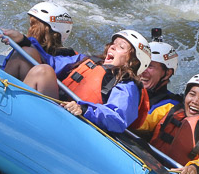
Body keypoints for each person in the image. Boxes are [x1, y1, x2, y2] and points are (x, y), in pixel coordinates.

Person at [23, 29, 151, 134]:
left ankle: (18, 117)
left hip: (75, 124)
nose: (112, 47)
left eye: (121, 47)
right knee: (27, 53)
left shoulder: (126, 84)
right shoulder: (87, 61)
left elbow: (117, 118)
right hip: (60, 108)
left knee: (42, 71)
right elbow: (52, 62)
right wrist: (25, 41)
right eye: (113, 43)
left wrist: (84, 109)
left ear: (133, 62)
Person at [0, 2, 74, 80]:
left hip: (35, 88)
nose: (30, 29)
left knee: (25, 53)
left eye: (34, 26)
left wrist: (24, 41)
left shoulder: (64, 57)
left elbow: (46, 59)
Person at [142, 40, 182, 112]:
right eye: (141, 64)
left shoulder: (170, 107)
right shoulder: (127, 92)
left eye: (149, 66)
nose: (142, 70)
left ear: (167, 74)